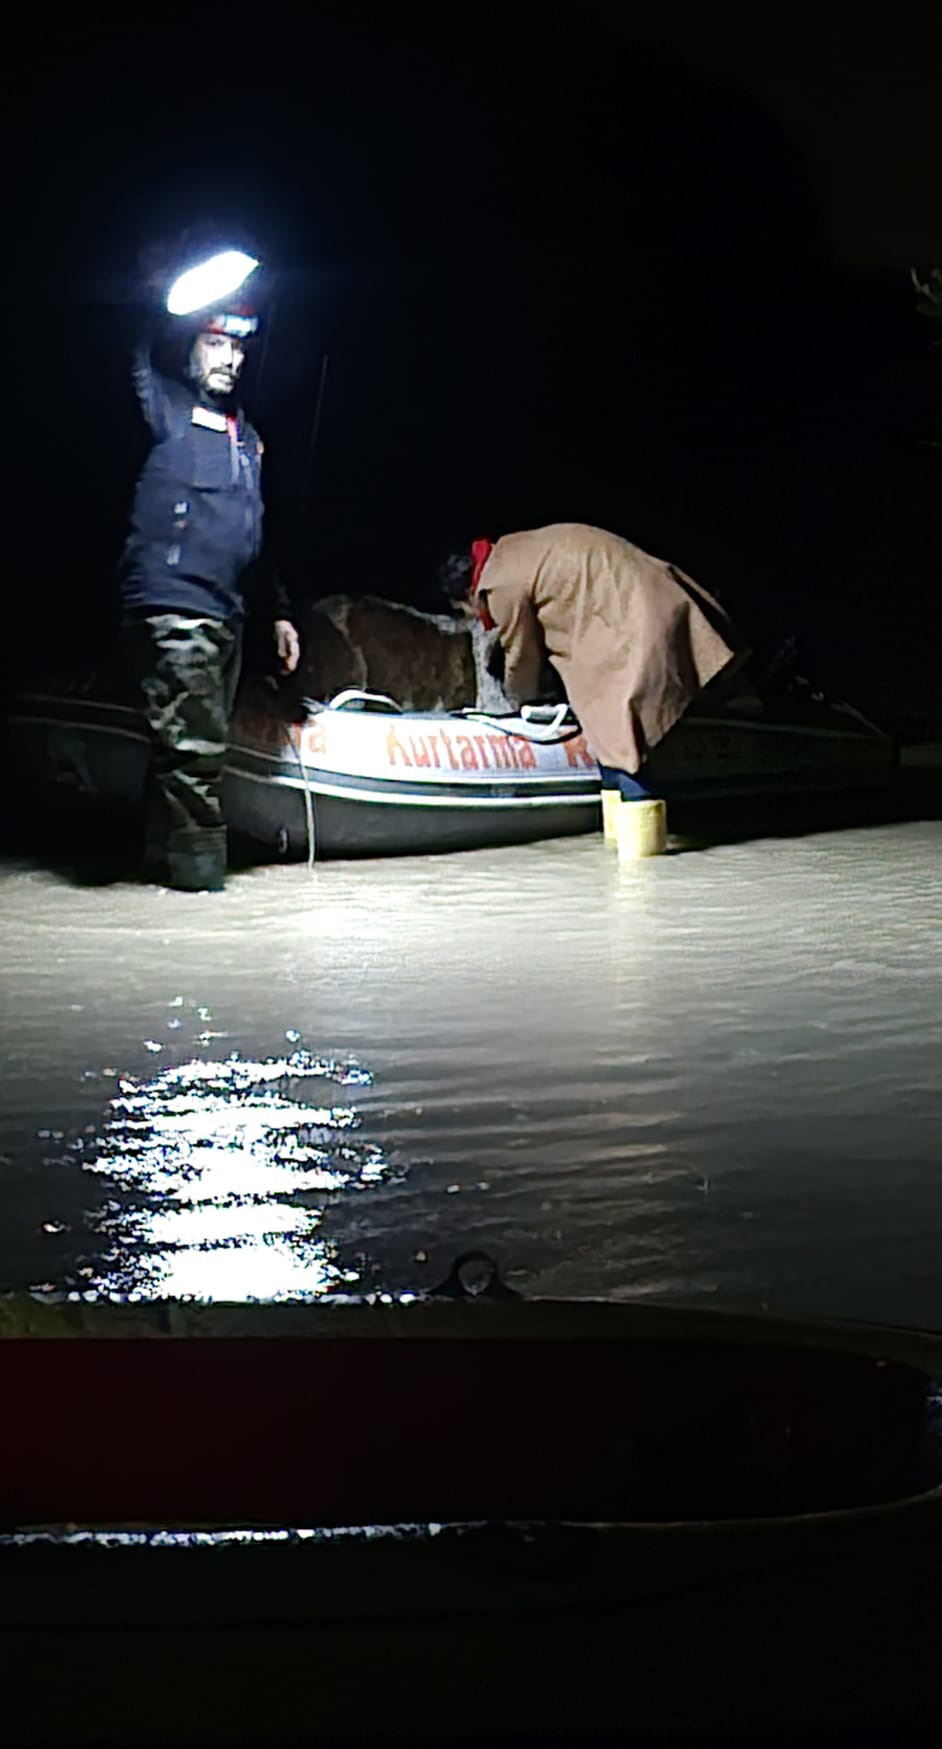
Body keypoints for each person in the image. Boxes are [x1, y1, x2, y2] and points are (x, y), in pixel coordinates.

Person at [119, 294, 300, 891]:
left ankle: (160, 878)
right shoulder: (165, 406)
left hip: (227, 612)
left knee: (180, 753)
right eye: (215, 344)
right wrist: (164, 293)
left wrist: (277, 612)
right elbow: (137, 351)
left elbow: (258, 531)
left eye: (238, 348)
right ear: (190, 347)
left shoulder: (247, 438)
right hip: (173, 606)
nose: (231, 359)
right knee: (196, 754)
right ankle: (204, 893)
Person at [443, 524, 747, 797]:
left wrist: (520, 707)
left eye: (464, 610)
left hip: (624, 615)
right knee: (620, 728)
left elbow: (522, 657)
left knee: (617, 741)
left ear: (470, 593)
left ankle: (639, 834)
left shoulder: (498, 586)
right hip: (645, 592)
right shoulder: (508, 551)